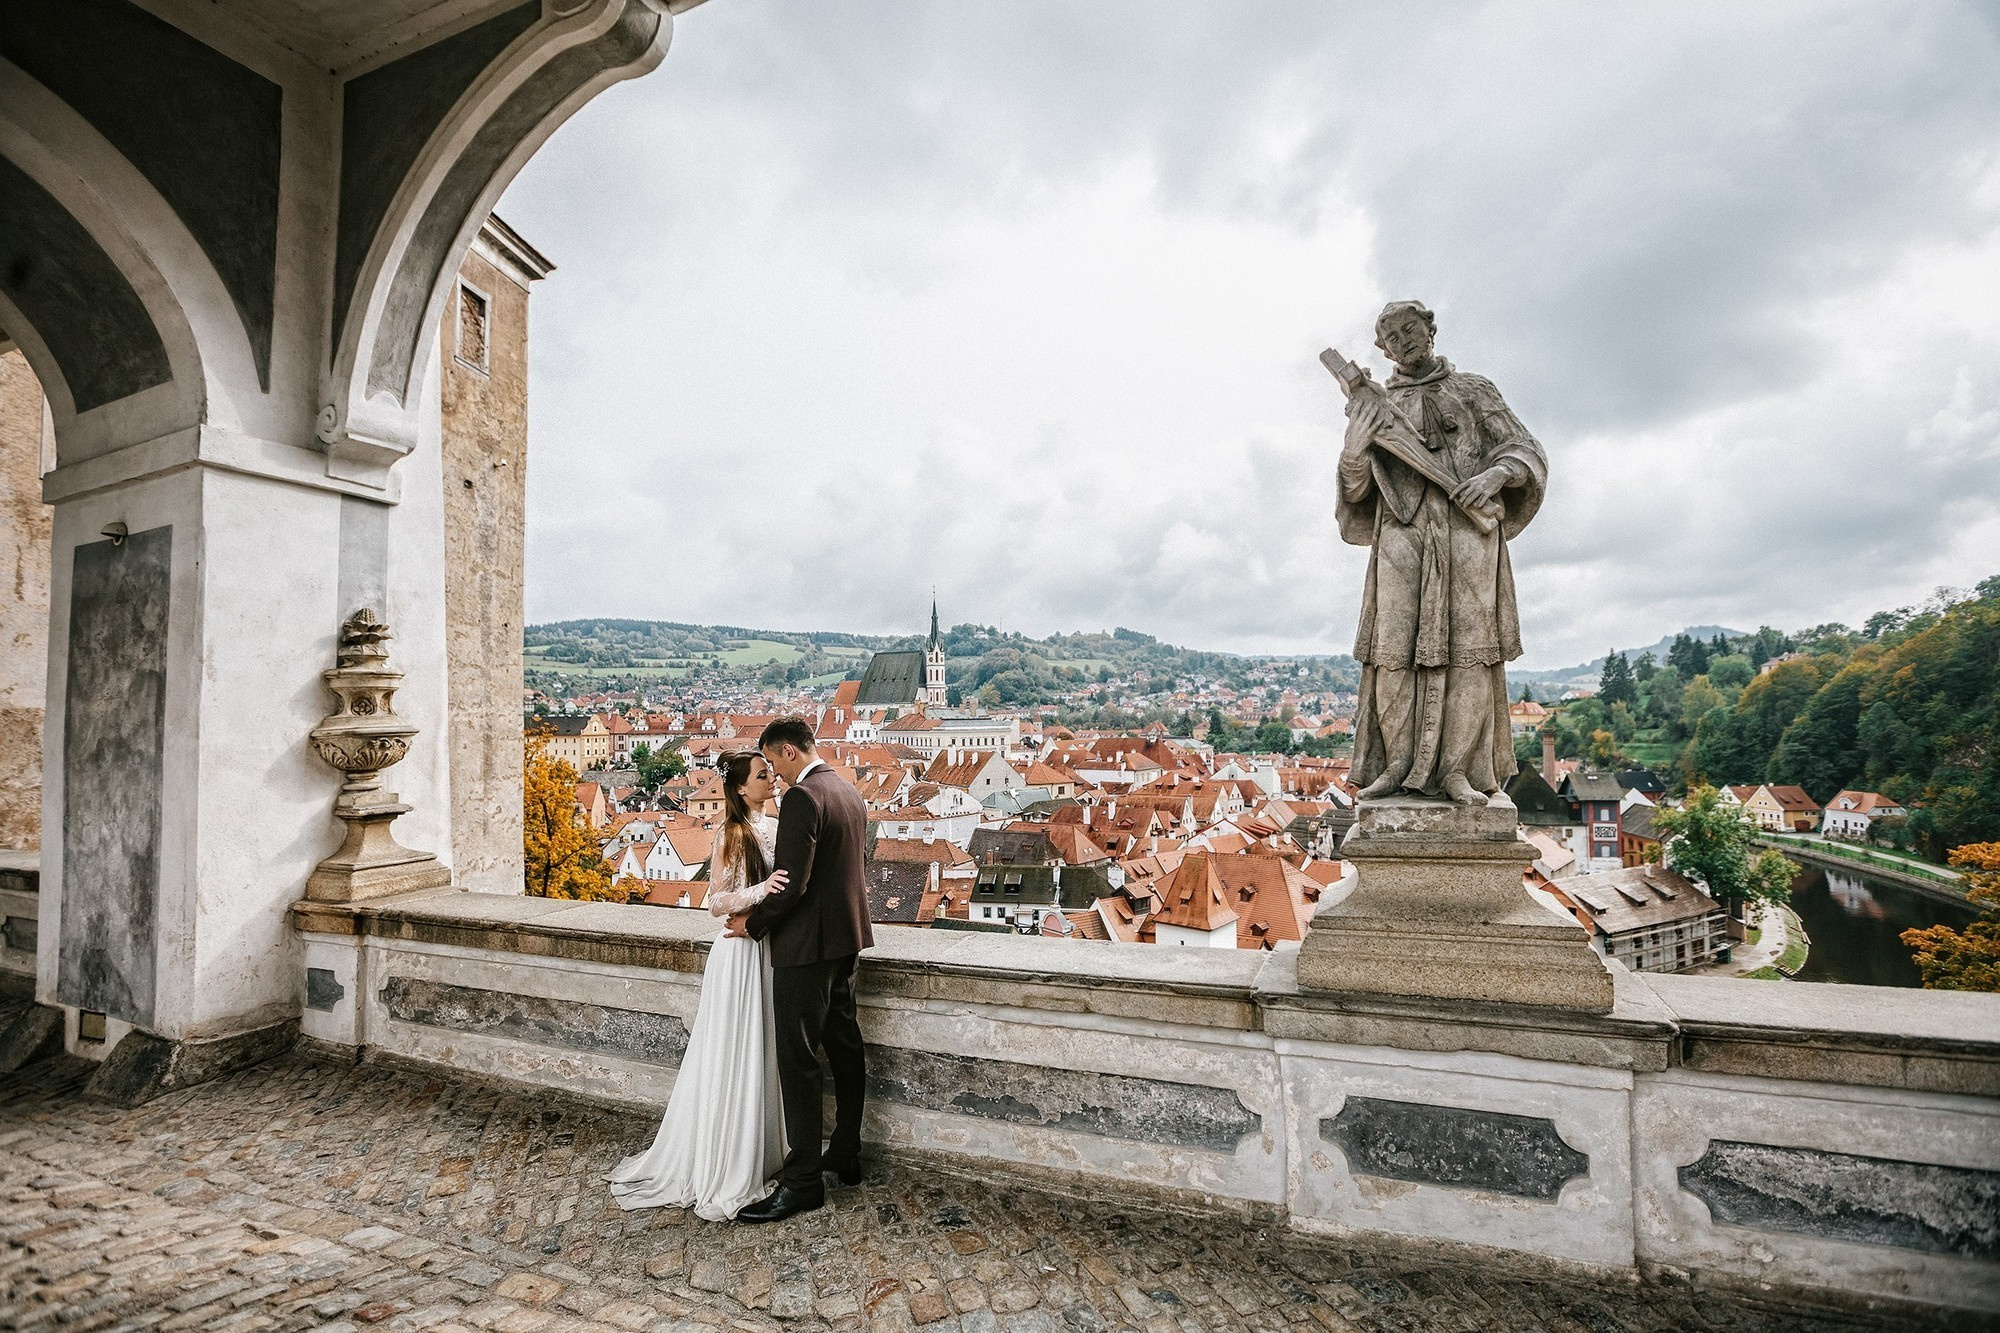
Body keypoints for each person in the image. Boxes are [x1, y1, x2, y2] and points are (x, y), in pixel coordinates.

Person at [1336, 300, 1547, 805]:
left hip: (1469, 539)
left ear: (1431, 329)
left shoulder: (1474, 391)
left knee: (1470, 656)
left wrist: (1497, 474)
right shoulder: (1374, 405)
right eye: (1392, 336)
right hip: (1401, 539)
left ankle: (1459, 771)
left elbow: (1526, 450)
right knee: (1393, 655)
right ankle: (1394, 766)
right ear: (1380, 348)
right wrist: (1352, 451)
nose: (1404, 340)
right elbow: (1356, 489)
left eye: (1411, 329)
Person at [605, 749, 788, 1220]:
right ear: (741, 788)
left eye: (770, 772)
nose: (771, 779)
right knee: (733, 1051)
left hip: (766, 950)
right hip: (739, 952)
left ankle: (764, 1149)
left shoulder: (775, 825)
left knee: (762, 1046)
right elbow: (716, 902)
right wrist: (761, 891)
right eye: (761, 775)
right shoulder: (732, 832)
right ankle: (726, 1159)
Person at [725, 715, 873, 1223]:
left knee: (800, 1059)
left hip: (807, 948)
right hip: (845, 941)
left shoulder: (804, 799)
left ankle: (804, 1180)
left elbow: (792, 882)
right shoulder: (848, 791)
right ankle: (846, 1150)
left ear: (788, 751)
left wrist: (755, 924)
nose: (777, 776)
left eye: (775, 763)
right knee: (845, 1045)